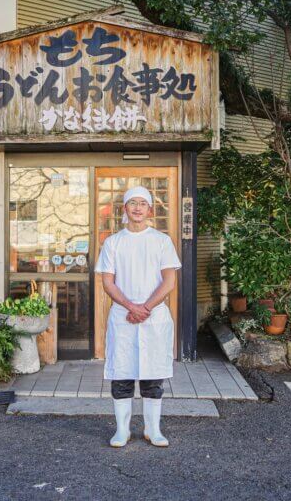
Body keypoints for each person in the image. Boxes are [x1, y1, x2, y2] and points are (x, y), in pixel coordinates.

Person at [94, 185, 181, 448]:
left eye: (143, 203)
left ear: (150, 210)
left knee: (152, 375)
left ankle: (152, 430)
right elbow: (108, 283)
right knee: (122, 375)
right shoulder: (113, 242)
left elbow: (169, 282)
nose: (138, 208)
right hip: (123, 317)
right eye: (133, 203)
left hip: (154, 318)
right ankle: (122, 431)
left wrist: (145, 308)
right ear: (125, 209)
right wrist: (132, 307)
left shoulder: (161, 241)